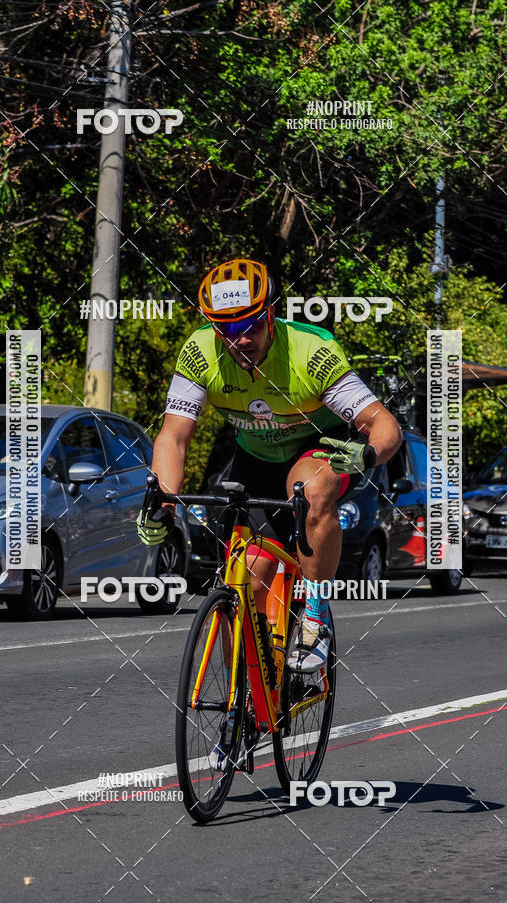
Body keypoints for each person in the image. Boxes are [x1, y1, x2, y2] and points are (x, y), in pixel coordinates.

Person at [137, 257, 402, 672]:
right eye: (227, 330)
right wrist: (164, 505)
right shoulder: (199, 351)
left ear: (271, 316)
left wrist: (367, 454)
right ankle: (241, 706)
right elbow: (174, 436)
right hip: (255, 458)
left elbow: (384, 424)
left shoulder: (310, 351)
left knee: (310, 490)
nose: (241, 339)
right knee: (242, 585)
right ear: (211, 327)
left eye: (251, 326)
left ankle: (314, 618)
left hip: (317, 447)